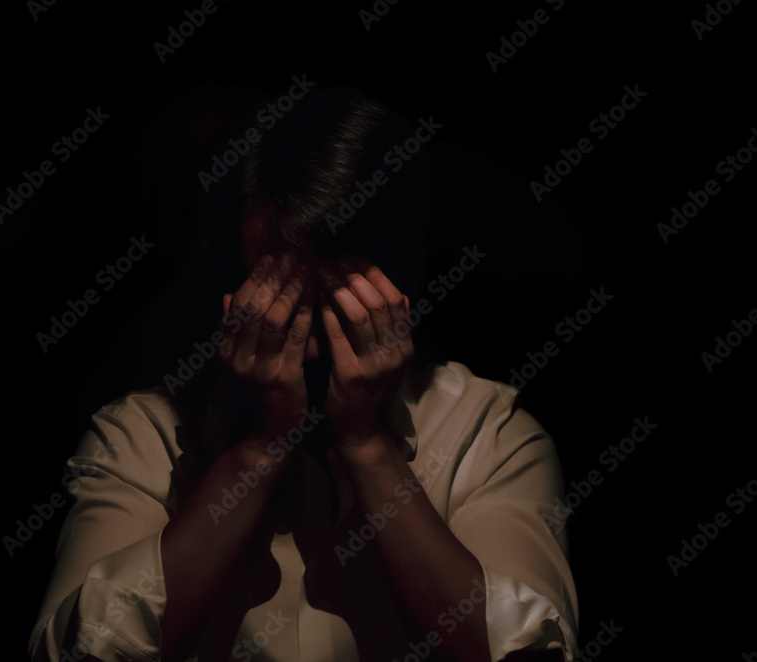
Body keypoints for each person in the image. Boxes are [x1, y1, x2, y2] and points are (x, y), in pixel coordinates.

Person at [29, 87, 578, 662]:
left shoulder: (488, 436)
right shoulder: (142, 438)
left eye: (335, 298)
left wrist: (370, 446)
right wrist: (257, 451)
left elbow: (528, 653)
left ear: (402, 280)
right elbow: (84, 651)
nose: (303, 336)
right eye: (276, 292)